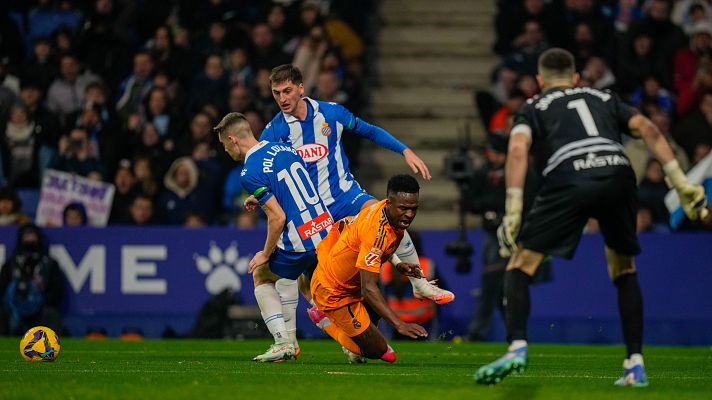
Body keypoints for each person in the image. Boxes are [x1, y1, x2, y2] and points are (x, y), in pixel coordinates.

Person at [475, 48, 709, 387]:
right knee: (624, 267)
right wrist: (682, 182)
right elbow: (648, 129)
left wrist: (513, 209)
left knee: (520, 264)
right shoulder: (603, 96)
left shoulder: (534, 106)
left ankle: (517, 347)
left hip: (569, 174)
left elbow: (516, 149)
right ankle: (634, 364)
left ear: (540, 81)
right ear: (575, 78)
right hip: (618, 173)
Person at [250, 64, 453, 311]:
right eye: (276, 93)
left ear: (301, 88)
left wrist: (404, 150)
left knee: (389, 218)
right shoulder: (273, 131)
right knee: (316, 283)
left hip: (345, 196)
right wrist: (258, 195)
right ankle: (332, 332)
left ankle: (419, 283)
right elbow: (264, 171)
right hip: (311, 213)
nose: (282, 98)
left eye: (287, 91)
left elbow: (369, 131)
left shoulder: (331, 114)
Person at [214, 112, 334, 362]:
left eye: (224, 144)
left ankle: (283, 341)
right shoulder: (282, 148)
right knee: (305, 283)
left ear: (233, 139)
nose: (225, 150)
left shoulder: (248, 172)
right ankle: (346, 341)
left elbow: (277, 218)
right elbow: (288, 183)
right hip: (324, 229)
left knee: (262, 274)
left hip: (300, 239)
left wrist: (264, 253)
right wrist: (259, 196)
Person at [310, 174, 428, 363]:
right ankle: (323, 320)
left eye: (414, 209)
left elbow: (377, 247)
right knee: (381, 353)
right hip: (334, 291)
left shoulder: (384, 212)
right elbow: (369, 288)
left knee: (374, 305)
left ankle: (358, 342)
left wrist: (398, 264)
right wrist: (399, 325)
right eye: (404, 209)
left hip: (348, 280)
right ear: (389, 203)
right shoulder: (376, 230)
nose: (410, 214)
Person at [0, 223, 65, 336]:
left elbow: (57, 290)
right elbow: (2, 287)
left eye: (32, 236)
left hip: (41, 308)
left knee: (51, 313)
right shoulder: (11, 263)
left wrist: (39, 301)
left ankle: (50, 345)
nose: (29, 240)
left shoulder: (49, 263)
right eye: (26, 236)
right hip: (14, 307)